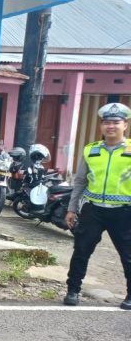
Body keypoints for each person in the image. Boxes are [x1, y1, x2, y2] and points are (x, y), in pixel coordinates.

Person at [64, 102, 131, 310]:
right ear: (101, 126)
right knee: (81, 251)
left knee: (128, 255)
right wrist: (72, 208)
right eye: (106, 122)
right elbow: (80, 181)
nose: (110, 126)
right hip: (93, 210)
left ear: (125, 125)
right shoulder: (91, 150)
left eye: (116, 122)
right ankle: (73, 290)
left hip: (124, 212)